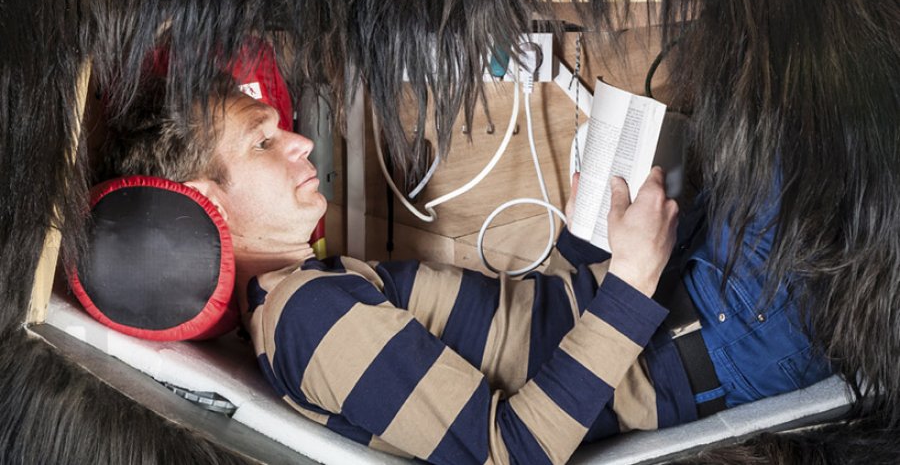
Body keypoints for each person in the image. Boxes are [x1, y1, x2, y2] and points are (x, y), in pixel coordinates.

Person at [103, 80, 832, 464]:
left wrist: (586, 240)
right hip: (717, 333)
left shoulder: (306, 295)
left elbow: (523, 335)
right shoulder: (305, 322)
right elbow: (506, 452)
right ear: (205, 204)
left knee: (783, 99)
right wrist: (631, 285)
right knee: (828, 113)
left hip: (688, 301)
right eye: (263, 141)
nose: (296, 139)